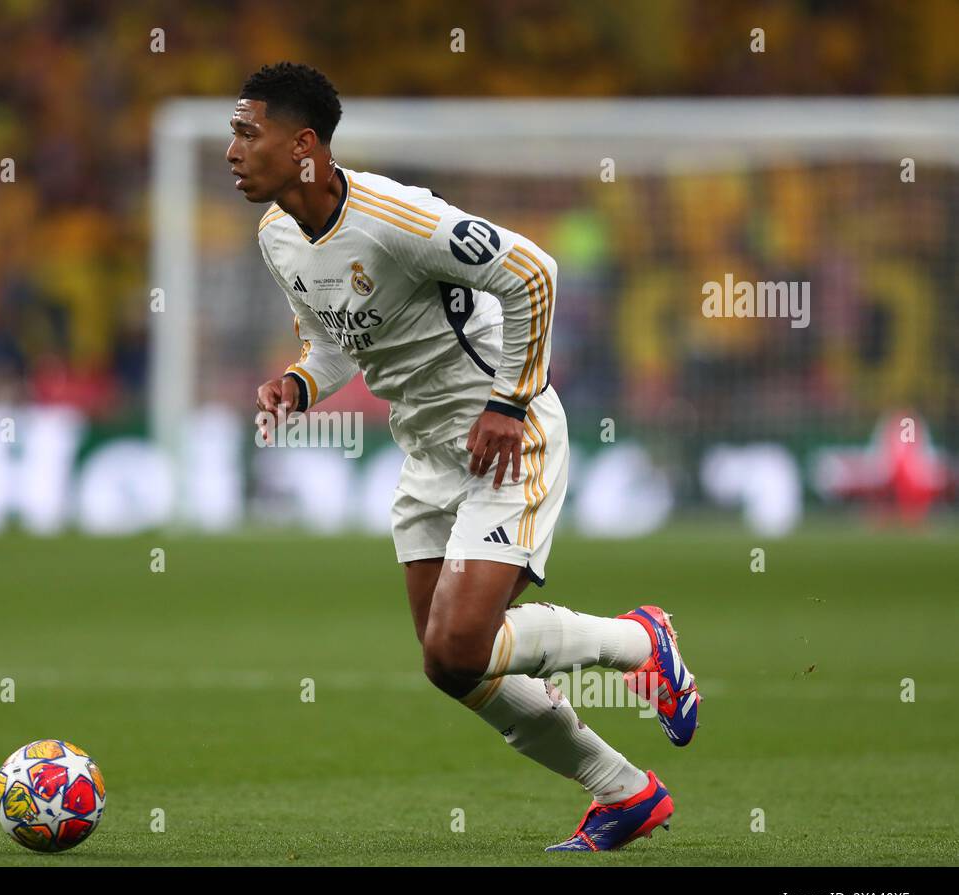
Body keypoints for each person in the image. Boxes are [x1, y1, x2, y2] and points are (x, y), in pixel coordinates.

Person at [230, 62, 700, 851]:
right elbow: (342, 338)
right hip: (425, 449)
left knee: (461, 643)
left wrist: (508, 403)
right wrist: (300, 383)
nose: (233, 151)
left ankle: (640, 642)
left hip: (504, 438)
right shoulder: (278, 236)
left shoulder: (397, 218)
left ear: (303, 144)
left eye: (249, 133)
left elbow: (532, 273)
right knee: (449, 667)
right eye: (233, 135)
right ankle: (623, 791)